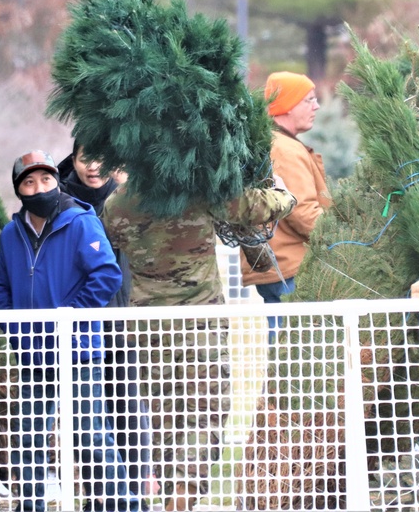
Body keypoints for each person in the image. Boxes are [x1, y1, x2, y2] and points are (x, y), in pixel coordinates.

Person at [102, 179, 296, 512]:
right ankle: (184, 490)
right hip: (200, 322)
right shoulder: (200, 189)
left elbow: (112, 235)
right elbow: (258, 207)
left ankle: (172, 493)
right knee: (205, 415)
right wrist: (284, 193)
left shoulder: (118, 202)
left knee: (165, 419)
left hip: (150, 328)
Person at [0, 150, 139, 512]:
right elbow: (1, 286)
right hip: (33, 356)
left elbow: (107, 274)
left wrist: (70, 317)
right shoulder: (12, 233)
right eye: (29, 181)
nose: (39, 187)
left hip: (80, 351)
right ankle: (30, 505)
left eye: (45, 179)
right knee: (27, 437)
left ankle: (126, 504)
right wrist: (14, 328)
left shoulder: (80, 222)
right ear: (19, 189)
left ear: (56, 181)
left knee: (91, 434)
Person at [58, 142, 153, 509]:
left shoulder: (128, 197)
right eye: (85, 157)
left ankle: (134, 498)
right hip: (79, 329)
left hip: (121, 321)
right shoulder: (58, 200)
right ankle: (99, 500)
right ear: (74, 158)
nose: (92, 166)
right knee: (87, 419)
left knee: (127, 409)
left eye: (101, 158)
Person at [242, 72, 332, 344]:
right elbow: (302, 212)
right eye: (309, 100)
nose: (316, 106)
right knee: (295, 356)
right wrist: (341, 242)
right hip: (291, 268)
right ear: (287, 106)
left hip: (282, 264)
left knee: (289, 355)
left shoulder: (281, 143)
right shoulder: (283, 149)